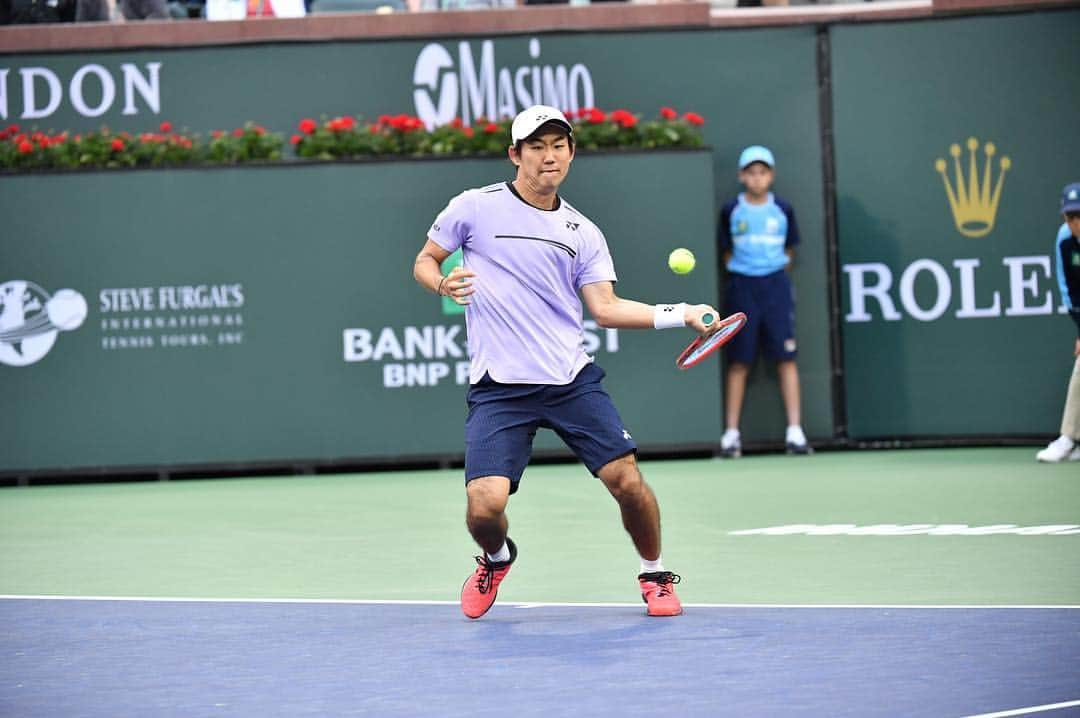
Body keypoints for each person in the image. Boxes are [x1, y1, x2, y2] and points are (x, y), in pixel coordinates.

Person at [412, 104, 719, 619]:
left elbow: (606, 308)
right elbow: (425, 260)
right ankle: (496, 557)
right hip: (499, 387)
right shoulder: (473, 207)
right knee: (484, 509)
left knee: (629, 482)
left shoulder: (583, 232)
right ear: (515, 155)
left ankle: (654, 572)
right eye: (536, 146)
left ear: (572, 154)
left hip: (569, 379)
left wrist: (682, 312)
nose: (548, 156)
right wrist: (441, 282)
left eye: (558, 145)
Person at [716, 145, 810, 457]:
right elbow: (726, 252)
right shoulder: (731, 210)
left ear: (771, 175)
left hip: (776, 287)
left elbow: (790, 253)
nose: (757, 178)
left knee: (786, 358)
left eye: (763, 172)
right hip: (742, 287)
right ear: (743, 176)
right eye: (751, 172)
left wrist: (769, 271)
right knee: (739, 361)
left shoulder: (782, 208)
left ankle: (795, 433)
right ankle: (731, 436)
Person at [1036, 182, 1080, 463]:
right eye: (1070, 217)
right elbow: (1070, 290)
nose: (1076, 223)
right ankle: (1069, 439)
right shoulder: (1064, 239)